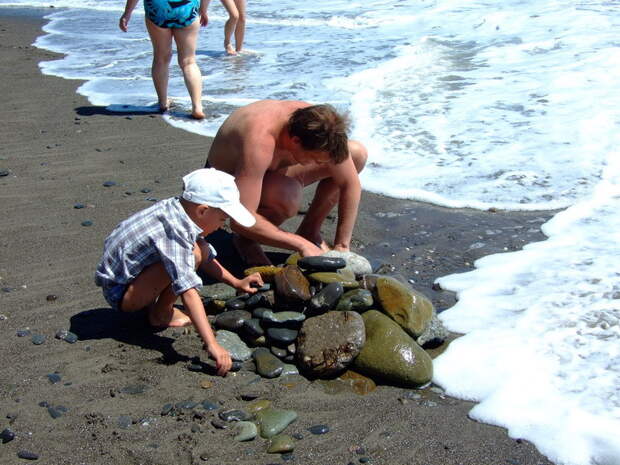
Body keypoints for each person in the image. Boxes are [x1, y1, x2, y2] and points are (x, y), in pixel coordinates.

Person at [95, 168, 264, 376]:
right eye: (222, 219)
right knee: (189, 256)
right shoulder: (175, 232)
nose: (224, 225)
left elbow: (204, 255)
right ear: (202, 210)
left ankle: (156, 307)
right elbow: (188, 290)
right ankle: (160, 314)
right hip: (120, 293)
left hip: (130, 278)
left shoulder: (177, 209)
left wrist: (236, 282)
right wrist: (212, 343)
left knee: (198, 249)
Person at [205, 100, 368, 266]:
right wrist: (299, 244)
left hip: (270, 169)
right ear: (296, 141)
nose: (318, 164)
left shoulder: (318, 123)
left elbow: (350, 183)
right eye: (314, 159)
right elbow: (241, 218)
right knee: (286, 195)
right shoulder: (259, 139)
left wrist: (342, 246)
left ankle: (309, 231)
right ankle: (246, 240)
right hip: (224, 182)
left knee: (356, 155)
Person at [119, 0, 209, 119]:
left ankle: (163, 102)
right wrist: (204, 9)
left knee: (161, 58)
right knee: (189, 61)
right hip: (187, 8)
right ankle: (197, 106)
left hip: (158, 9)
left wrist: (127, 13)